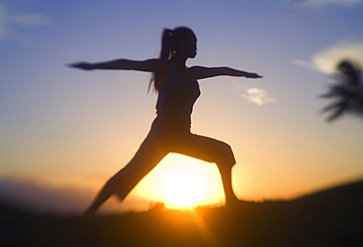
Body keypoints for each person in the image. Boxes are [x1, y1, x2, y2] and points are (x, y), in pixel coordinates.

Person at [69, 26, 262, 215]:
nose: (196, 47)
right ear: (179, 45)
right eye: (192, 42)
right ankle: (90, 212)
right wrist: (93, 66)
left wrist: (246, 74)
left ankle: (231, 201)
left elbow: (221, 70)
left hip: (182, 136)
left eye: (196, 43)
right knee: (129, 173)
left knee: (223, 152)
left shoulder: (193, 73)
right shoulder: (164, 67)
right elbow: (128, 64)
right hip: (161, 135)